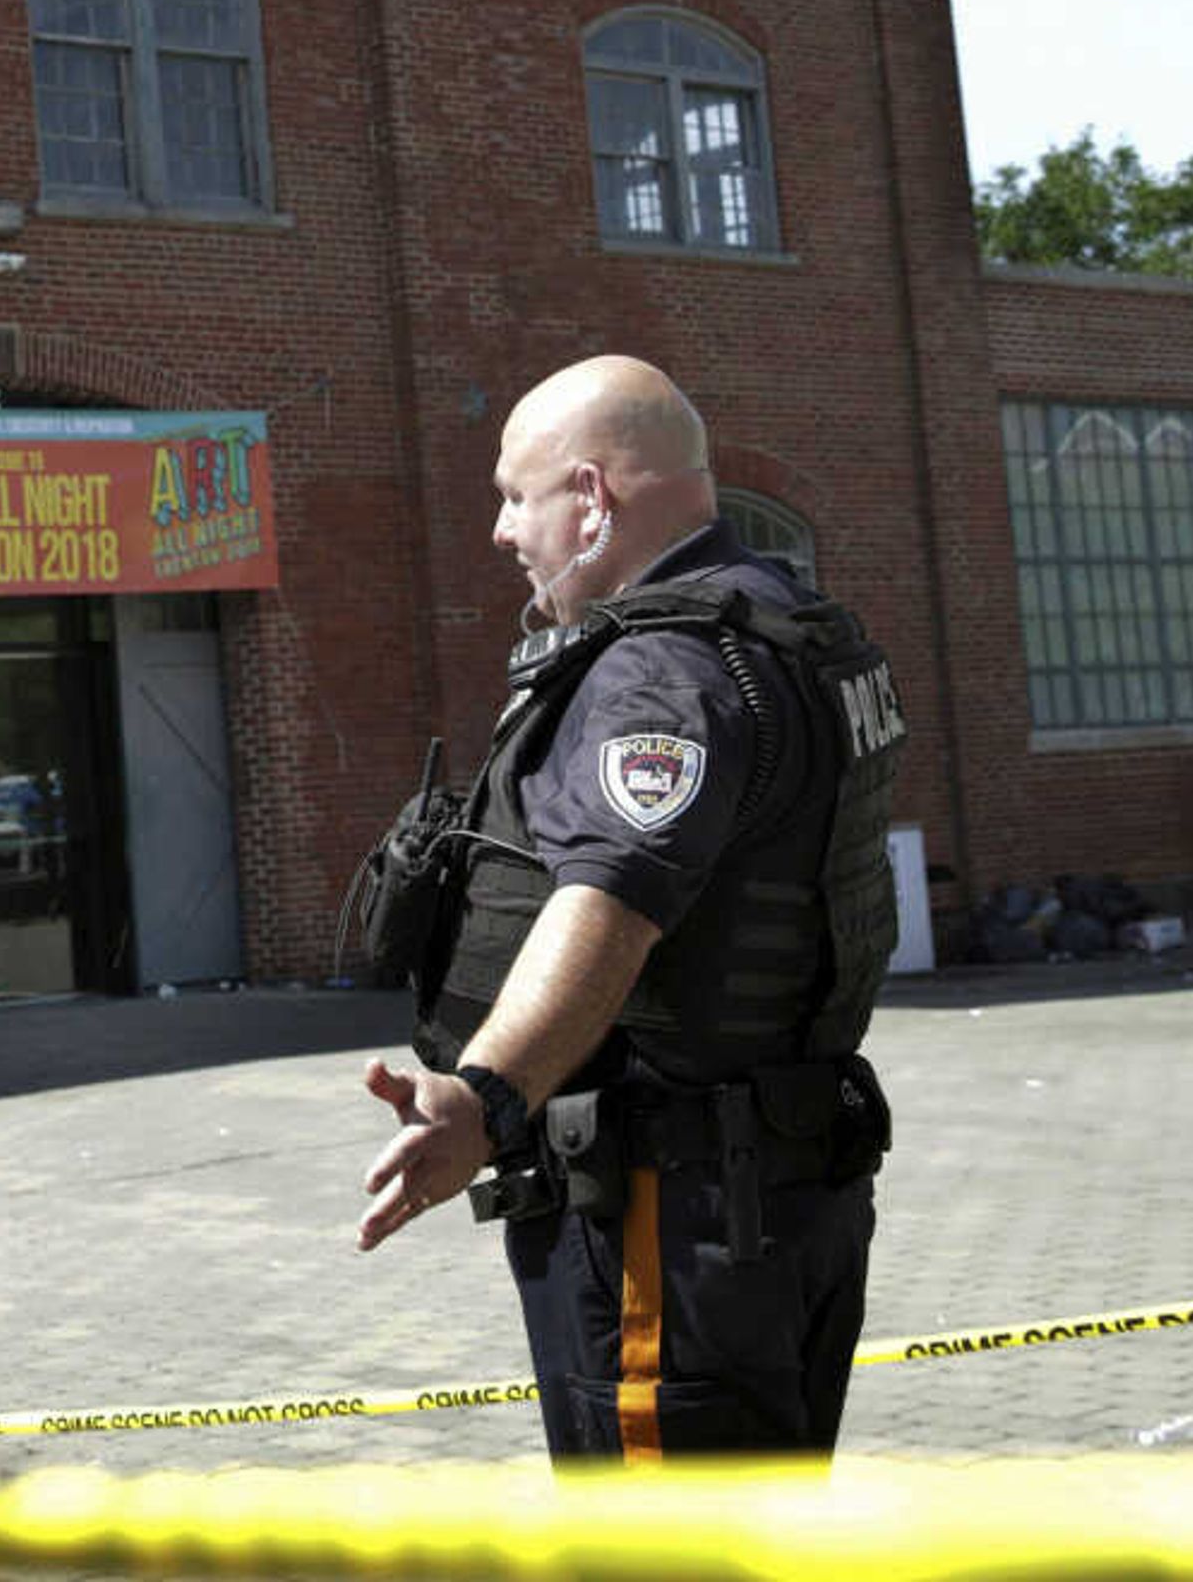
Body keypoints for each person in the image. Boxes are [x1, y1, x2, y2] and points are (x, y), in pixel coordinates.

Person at [349, 356, 902, 1462]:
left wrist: (484, 1097)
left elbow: (610, 902)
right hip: (778, 1185)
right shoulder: (790, 624)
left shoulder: (661, 672)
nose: (504, 530)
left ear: (592, 500)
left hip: (672, 1212)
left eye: (518, 495)